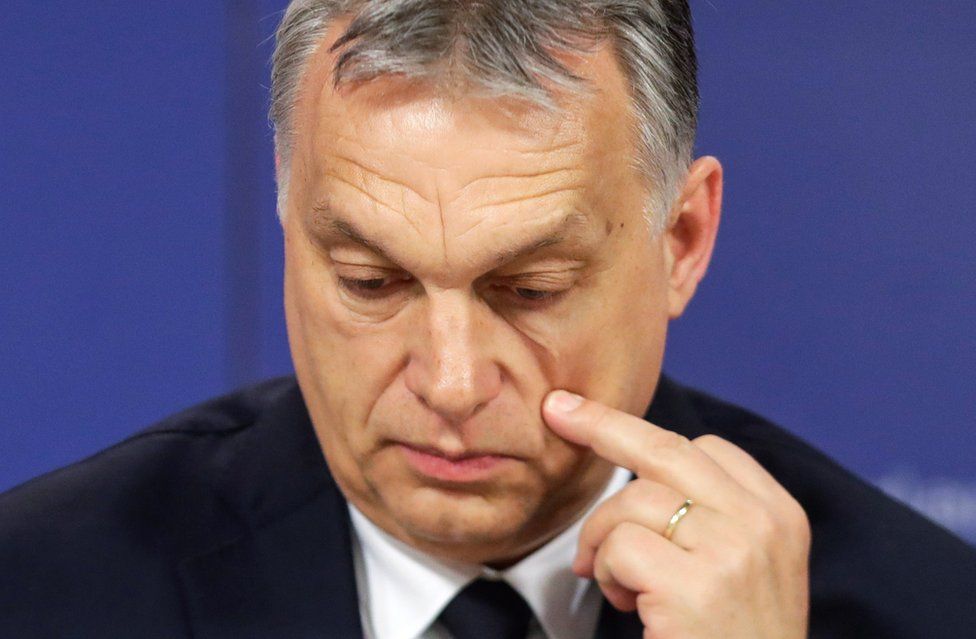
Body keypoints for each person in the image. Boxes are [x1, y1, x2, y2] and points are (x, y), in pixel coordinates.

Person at [2, 1, 974, 637]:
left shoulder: (924, 609)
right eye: (370, 282)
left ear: (680, 239)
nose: (452, 382)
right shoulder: (41, 591)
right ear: (285, 217)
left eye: (530, 291)